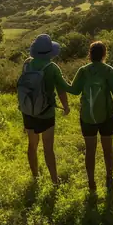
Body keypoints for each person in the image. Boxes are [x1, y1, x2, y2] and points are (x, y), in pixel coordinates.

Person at [17, 33, 70, 185]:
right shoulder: (52, 68)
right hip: (46, 112)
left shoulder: (27, 64)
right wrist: (66, 107)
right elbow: (61, 90)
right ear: (49, 53)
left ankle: (35, 177)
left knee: (32, 145)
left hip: (28, 111)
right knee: (48, 148)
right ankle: (55, 180)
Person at [68, 41, 113, 192]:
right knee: (108, 149)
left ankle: (91, 182)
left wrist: (59, 80)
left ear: (89, 54)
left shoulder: (83, 71)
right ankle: (109, 178)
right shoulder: (109, 71)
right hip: (106, 116)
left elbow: (74, 90)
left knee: (90, 150)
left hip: (87, 117)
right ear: (105, 54)